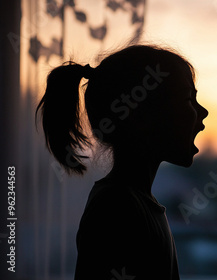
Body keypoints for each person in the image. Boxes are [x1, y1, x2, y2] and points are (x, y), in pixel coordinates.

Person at [36, 45, 208, 280]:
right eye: (189, 99)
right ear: (143, 116)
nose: (203, 112)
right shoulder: (117, 209)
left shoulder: (131, 202)